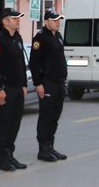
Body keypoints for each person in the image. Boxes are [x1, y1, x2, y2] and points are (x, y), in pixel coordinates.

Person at [0, 7, 29, 171]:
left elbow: (21, 62)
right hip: (5, 89)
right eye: (15, 18)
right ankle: (1, 158)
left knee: (15, 123)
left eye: (18, 17)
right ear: (5, 21)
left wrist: (24, 85)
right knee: (4, 124)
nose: (18, 20)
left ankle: (10, 154)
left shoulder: (18, 38)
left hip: (18, 88)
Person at [29, 9, 69, 163]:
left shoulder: (58, 36)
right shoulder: (40, 38)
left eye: (59, 19)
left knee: (55, 116)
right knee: (46, 116)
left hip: (59, 82)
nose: (58, 22)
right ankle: (43, 149)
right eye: (54, 20)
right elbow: (34, 63)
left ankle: (50, 146)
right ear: (46, 22)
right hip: (47, 83)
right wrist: (38, 84)